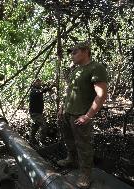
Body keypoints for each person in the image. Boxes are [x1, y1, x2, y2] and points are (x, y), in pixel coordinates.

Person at [57, 41, 107, 189]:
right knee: (69, 140)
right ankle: (71, 159)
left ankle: (85, 173)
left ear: (85, 51)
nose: (71, 55)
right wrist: (62, 108)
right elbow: (69, 91)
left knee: (83, 146)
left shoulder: (96, 67)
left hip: (81, 115)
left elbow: (101, 95)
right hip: (67, 113)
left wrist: (88, 116)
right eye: (71, 53)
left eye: (74, 52)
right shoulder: (75, 70)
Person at [28, 79, 53, 145]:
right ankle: (41, 141)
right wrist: (47, 88)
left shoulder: (38, 89)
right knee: (43, 126)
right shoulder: (34, 90)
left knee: (35, 126)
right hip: (35, 113)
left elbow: (42, 90)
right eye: (37, 83)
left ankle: (32, 140)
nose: (40, 83)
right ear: (34, 84)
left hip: (38, 112)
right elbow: (40, 91)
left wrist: (48, 87)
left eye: (40, 82)